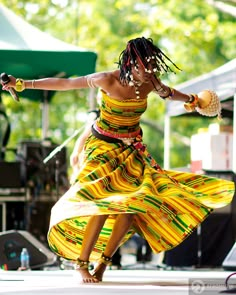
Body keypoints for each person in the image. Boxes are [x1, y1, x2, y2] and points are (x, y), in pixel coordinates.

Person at [1, 37, 234, 283]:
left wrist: (192, 100)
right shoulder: (106, 79)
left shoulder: (150, 81)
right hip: (102, 148)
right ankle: (81, 263)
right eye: (144, 68)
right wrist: (23, 84)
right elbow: (66, 83)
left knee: (131, 207)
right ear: (130, 63)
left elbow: (168, 93)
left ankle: (102, 264)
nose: (148, 74)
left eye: (152, 68)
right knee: (104, 202)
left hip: (131, 151)